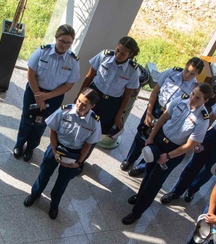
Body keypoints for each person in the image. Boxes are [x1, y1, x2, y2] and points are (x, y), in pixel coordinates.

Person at [122, 82, 214, 225]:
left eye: (198, 98)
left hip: (174, 151)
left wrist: (168, 156)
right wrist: (151, 137)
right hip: (159, 140)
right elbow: (163, 119)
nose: (193, 98)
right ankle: (139, 196)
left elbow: (190, 145)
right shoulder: (180, 101)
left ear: (205, 101)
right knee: (147, 172)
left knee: (154, 182)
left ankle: (137, 212)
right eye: (193, 94)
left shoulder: (202, 120)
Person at [23, 88, 102, 220]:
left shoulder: (94, 122)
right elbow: (53, 131)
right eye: (79, 101)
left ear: (92, 106)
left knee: (62, 183)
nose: (79, 105)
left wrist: (78, 162)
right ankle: (35, 194)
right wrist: (54, 151)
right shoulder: (65, 111)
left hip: (74, 154)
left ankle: (54, 204)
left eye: (84, 104)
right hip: (57, 146)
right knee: (44, 174)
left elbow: (88, 144)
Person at [121, 58, 204, 176]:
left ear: (198, 74)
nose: (187, 75)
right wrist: (149, 112)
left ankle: (142, 165)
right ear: (185, 66)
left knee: (155, 141)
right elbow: (155, 92)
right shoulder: (172, 72)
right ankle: (129, 159)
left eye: (192, 74)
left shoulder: (194, 88)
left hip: (170, 116)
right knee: (142, 134)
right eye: (187, 70)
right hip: (156, 107)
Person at [13, 25, 81, 161]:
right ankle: (19, 144)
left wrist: (47, 97)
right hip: (34, 90)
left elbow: (68, 85)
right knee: (27, 119)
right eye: (61, 41)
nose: (64, 45)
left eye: (68, 42)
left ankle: (31, 148)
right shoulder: (43, 51)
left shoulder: (73, 61)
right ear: (56, 38)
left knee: (41, 123)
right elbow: (31, 74)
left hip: (53, 97)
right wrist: (39, 96)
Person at [79, 37, 142, 139]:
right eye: (117, 50)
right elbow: (89, 76)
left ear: (130, 55)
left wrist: (118, 115)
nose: (118, 55)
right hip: (93, 94)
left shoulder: (132, 70)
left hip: (110, 104)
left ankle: (84, 153)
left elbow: (127, 96)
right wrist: (80, 95)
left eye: (123, 54)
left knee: (97, 132)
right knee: (80, 121)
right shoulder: (104, 55)